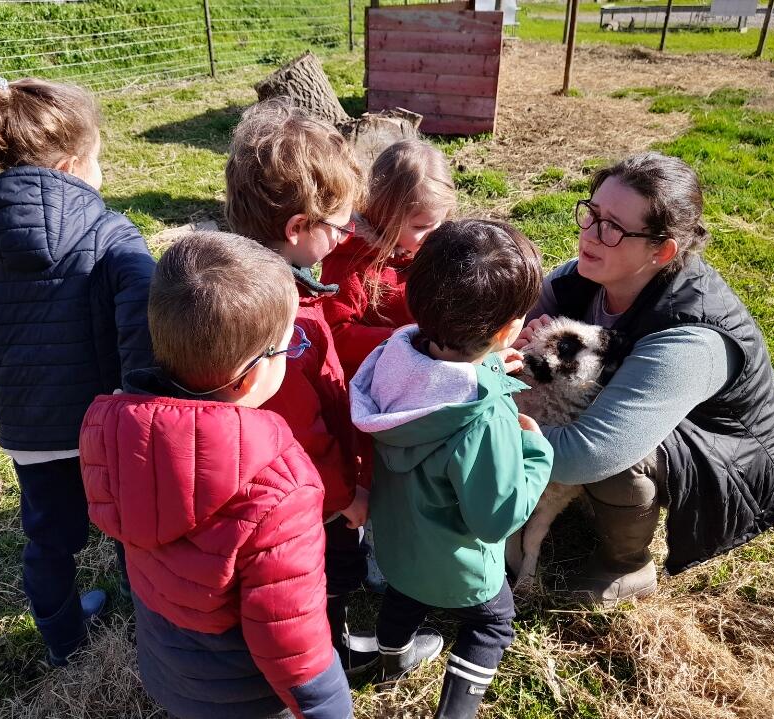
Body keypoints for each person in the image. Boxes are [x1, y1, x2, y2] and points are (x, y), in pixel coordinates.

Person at [0, 70, 155, 665]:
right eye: (98, 160)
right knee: (132, 534)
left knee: (48, 538)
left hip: (32, 432)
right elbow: (142, 333)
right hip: (109, 428)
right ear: (71, 166)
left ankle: (64, 642)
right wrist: (152, 401)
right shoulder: (113, 235)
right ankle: (151, 627)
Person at [80, 233, 353, 719]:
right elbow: (291, 637)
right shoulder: (281, 483)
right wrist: (331, 708)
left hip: (169, 667)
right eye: (291, 345)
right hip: (246, 692)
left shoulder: (110, 426)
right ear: (250, 375)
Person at [515, 151, 774, 604]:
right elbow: (507, 338)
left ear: (662, 250)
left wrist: (485, 429)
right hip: (648, 415)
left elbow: (589, 454)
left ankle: (625, 566)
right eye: (591, 213)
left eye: (613, 228)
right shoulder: (582, 275)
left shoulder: (690, 338)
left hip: (722, 452)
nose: (589, 234)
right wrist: (514, 346)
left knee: (614, 456)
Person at [225, 98, 404, 675]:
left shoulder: (265, 281)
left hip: (286, 493)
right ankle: (326, 655)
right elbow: (295, 429)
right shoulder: (279, 321)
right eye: (340, 223)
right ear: (299, 228)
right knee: (325, 576)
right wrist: (343, 495)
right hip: (310, 502)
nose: (347, 233)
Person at [351, 219, 554, 719]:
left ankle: (392, 659)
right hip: (459, 567)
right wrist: (535, 451)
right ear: (509, 329)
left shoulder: (394, 354)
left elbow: (441, 375)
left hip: (397, 547)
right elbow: (497, 517)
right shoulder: (481, 421)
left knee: (404, 598)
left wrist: (485, 364)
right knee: (492, 623)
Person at [321, 138, 457, 380]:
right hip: (375, 379)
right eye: (420, 225)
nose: (433, 234)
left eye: (438, 222)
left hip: (424, 367)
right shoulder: (352, 261)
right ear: (385, 214)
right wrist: (405, 340)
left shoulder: (427, 247)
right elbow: (336, 333)